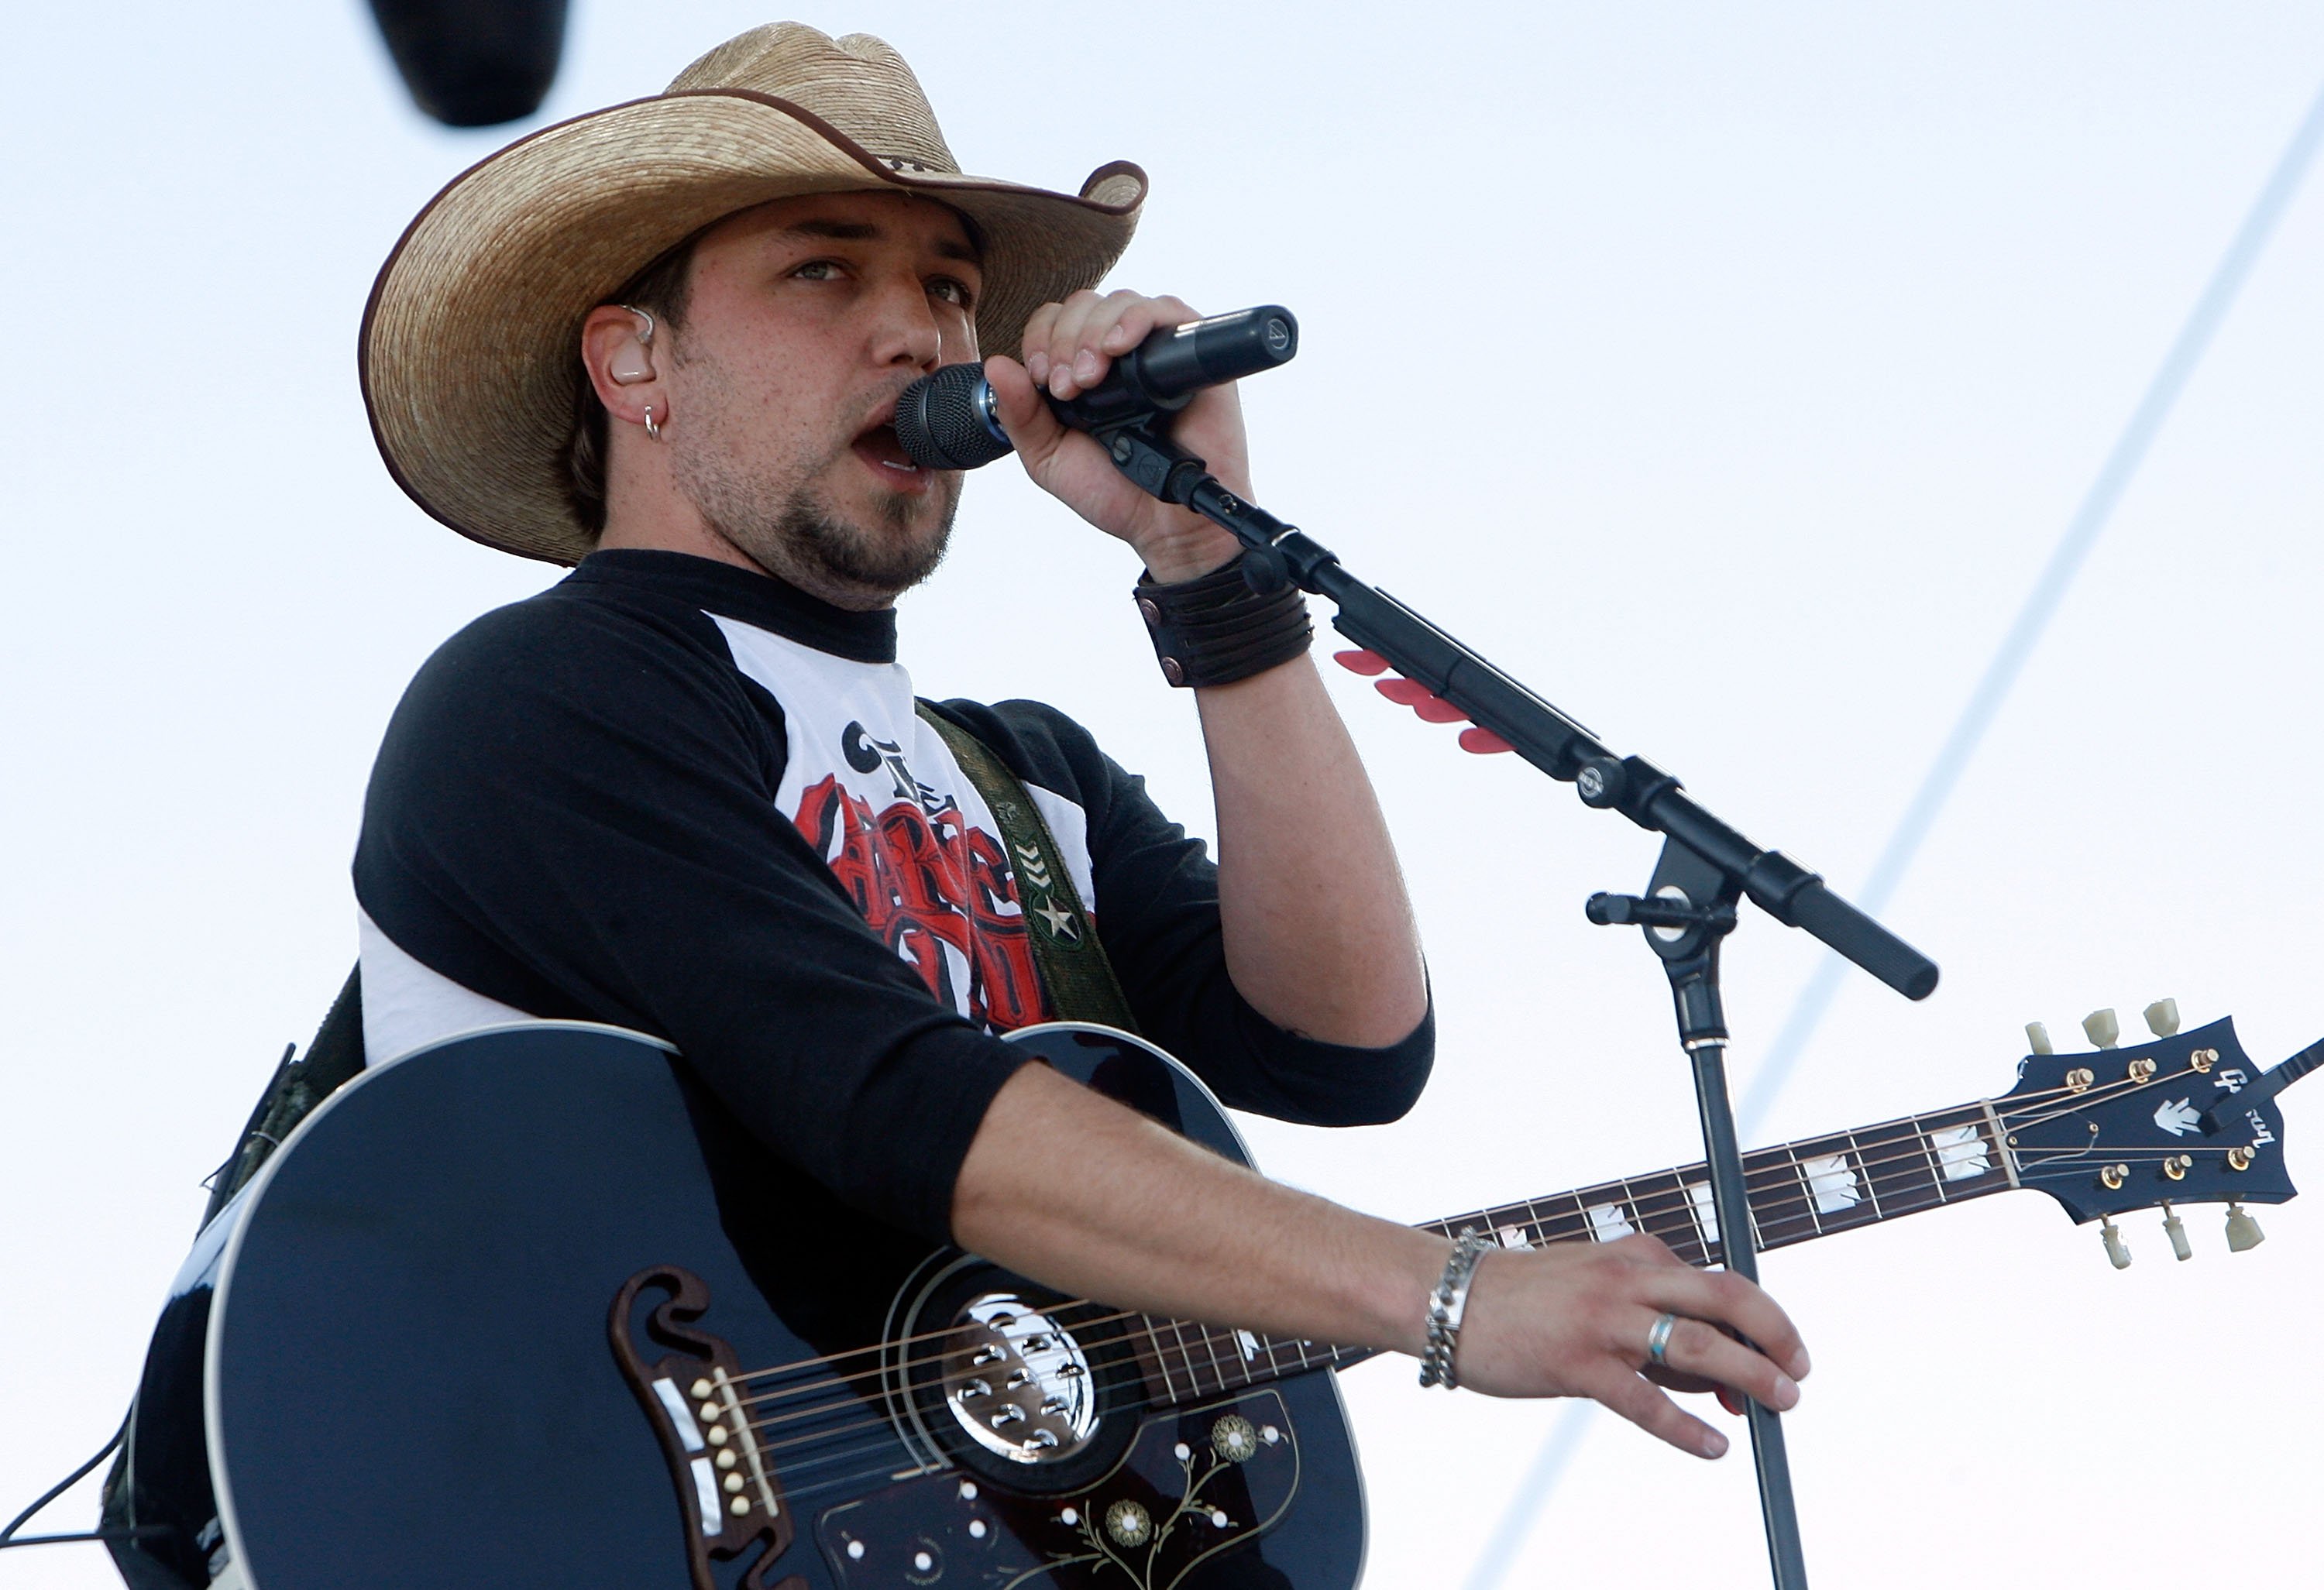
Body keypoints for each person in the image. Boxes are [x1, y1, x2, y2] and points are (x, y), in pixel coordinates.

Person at [354, 21, 1807, 1465]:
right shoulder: (544, 697)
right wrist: (1449, 1296)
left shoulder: (1027, 773)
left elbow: (1350, 1043)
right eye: (823, 268)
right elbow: (887, 1100)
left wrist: (1209, 565)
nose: (917, 330)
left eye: (947, 284)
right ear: (634, 360)